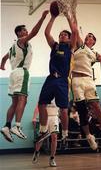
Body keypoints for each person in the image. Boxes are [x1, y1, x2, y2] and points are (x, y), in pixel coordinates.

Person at [71, 12, 101, 149]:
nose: (88, 37)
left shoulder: (95, 53)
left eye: (91, 37)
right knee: (82, 110)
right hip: (76, 80)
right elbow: (74, 28)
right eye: (87, 35)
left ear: (93, 41)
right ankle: (89, 136)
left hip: (89, 80)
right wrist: (73, 14)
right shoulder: (80, 45)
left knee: (97, 107)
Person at [0, 10, 49, 142]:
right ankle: (17, 126)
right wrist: (43, 18)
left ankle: (7, 125)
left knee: (15, 102)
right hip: (22, 72)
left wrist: (2, 65)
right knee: (23, 100)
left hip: (13, 73)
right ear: (19, 33)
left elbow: (4, 58)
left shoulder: (12, 47)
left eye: (26, 31)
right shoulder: (22, 41)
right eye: (24, 30)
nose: (26, 32)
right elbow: (35, 32)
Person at [36, 9, 77, 143]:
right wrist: (52, 17)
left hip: (62, 80)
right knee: (42, 103)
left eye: (65, 34)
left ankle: (65, 134)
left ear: (69, 38)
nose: (62, 36)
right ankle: (42, 130)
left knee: (64, 109)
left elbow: (75, 32)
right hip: (51, 78)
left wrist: (67, 16)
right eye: (61, 34)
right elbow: (47, 33)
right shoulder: (55, 46)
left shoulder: (70, 47)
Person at [32, 102, 59, 167]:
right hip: (44, 116)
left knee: (54, 137)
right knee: (42, 136)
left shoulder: (58, 93)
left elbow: (62, 106)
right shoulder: (44, 92)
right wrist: (34, 117)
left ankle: (52, 158)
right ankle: (36, 152)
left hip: (54, 117)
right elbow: (38, 105)